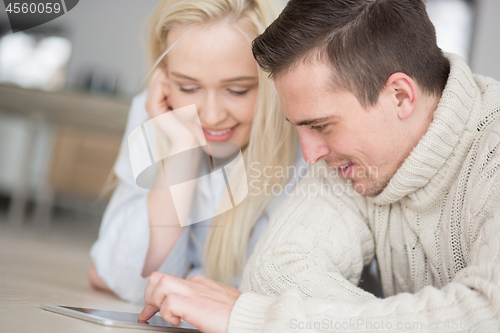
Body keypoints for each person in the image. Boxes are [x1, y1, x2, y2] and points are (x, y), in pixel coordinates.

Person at [137, 0, 500, 332]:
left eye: (321, 125)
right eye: (300, 127)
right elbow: (276, 274)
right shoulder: (355, 163)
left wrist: (255, 318)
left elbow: (488, 315)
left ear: (400, 95)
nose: (310, 155)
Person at [88, 0, 308, 304]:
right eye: (188, 88)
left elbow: (292, 291)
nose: (212, 115)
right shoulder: (157, 111)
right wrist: (182, 150)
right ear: (164, 78)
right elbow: (128, 276)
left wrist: (188, 278)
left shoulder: (307, 132)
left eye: (238, 90)